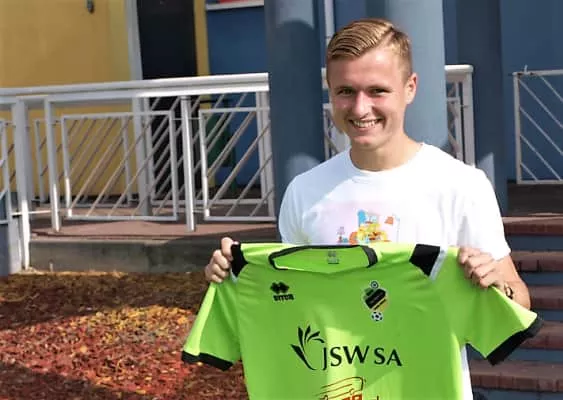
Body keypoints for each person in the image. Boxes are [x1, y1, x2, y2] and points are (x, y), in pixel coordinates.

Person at [202, 17, 531, 399]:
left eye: (377, 91)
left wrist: (495, 286)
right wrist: (233, 277)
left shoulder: (461, 186)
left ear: (410, 88)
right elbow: (289, 304)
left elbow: (519, 302)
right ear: (330, 91)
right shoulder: (305, 192)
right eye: (345, 91)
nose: (360, 108)